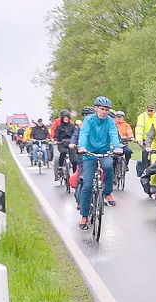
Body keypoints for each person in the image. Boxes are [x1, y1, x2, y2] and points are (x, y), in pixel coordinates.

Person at [76, 96, 123, 230]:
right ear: (96, 108)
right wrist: (81, 146)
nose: (104, 112)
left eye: (106, 110)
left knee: (108, 167)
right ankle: (84, 216)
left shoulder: (110, 121)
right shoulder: (89, 120)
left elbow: (113, 134)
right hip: (89, 154)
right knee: (87, 185)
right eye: (102, 109)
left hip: (104, 152)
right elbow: (84, 133)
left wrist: (117, 147)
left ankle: (107, 192)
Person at [52, 110, 77, 180]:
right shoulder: (59, 127)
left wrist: (76, 141)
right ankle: (60, 167)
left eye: (67, 117)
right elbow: (56, 135)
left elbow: (75, 135)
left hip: (71, 143)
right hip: (61, 143)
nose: (66, 119)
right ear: (62, 118)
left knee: (74, 160)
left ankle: (75, 176)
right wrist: (56, 140)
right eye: (64, 117)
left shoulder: (72, 126)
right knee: (63, 152)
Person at [135, 103, 156, 179]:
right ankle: (145, 169)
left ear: (154, 110)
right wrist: (139, 139)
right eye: (148, 111)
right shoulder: (142, 117)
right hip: (144, 139)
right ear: (146, 110)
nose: (150, 112)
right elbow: (139, 128)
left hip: (154, 140)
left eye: (151, 111)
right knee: (145, 152)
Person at [114, 110, 135, 175]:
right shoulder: (113, 124)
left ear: (123, 118)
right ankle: (114, 171)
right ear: (115, 117)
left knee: (128, 151)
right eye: (118, 117)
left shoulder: (126, 125)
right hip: (115, 144)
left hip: (124, 143)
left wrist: (131, 137)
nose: (119, 118)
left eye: (121, 117)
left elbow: (129, 132)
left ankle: (126, 165)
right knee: (113, 156)